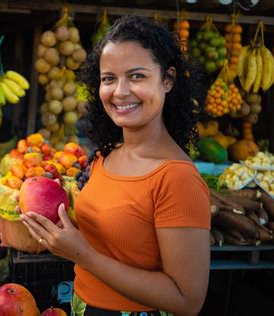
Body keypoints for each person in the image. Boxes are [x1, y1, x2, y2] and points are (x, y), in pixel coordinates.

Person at [20, 15, 211, 316]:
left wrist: (81, 253)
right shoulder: (105, 157)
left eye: (136, 76)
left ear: (168, 80)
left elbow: (187, 300)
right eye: (109, 78)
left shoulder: (177, 178)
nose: (119, 91)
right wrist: (56, 231)